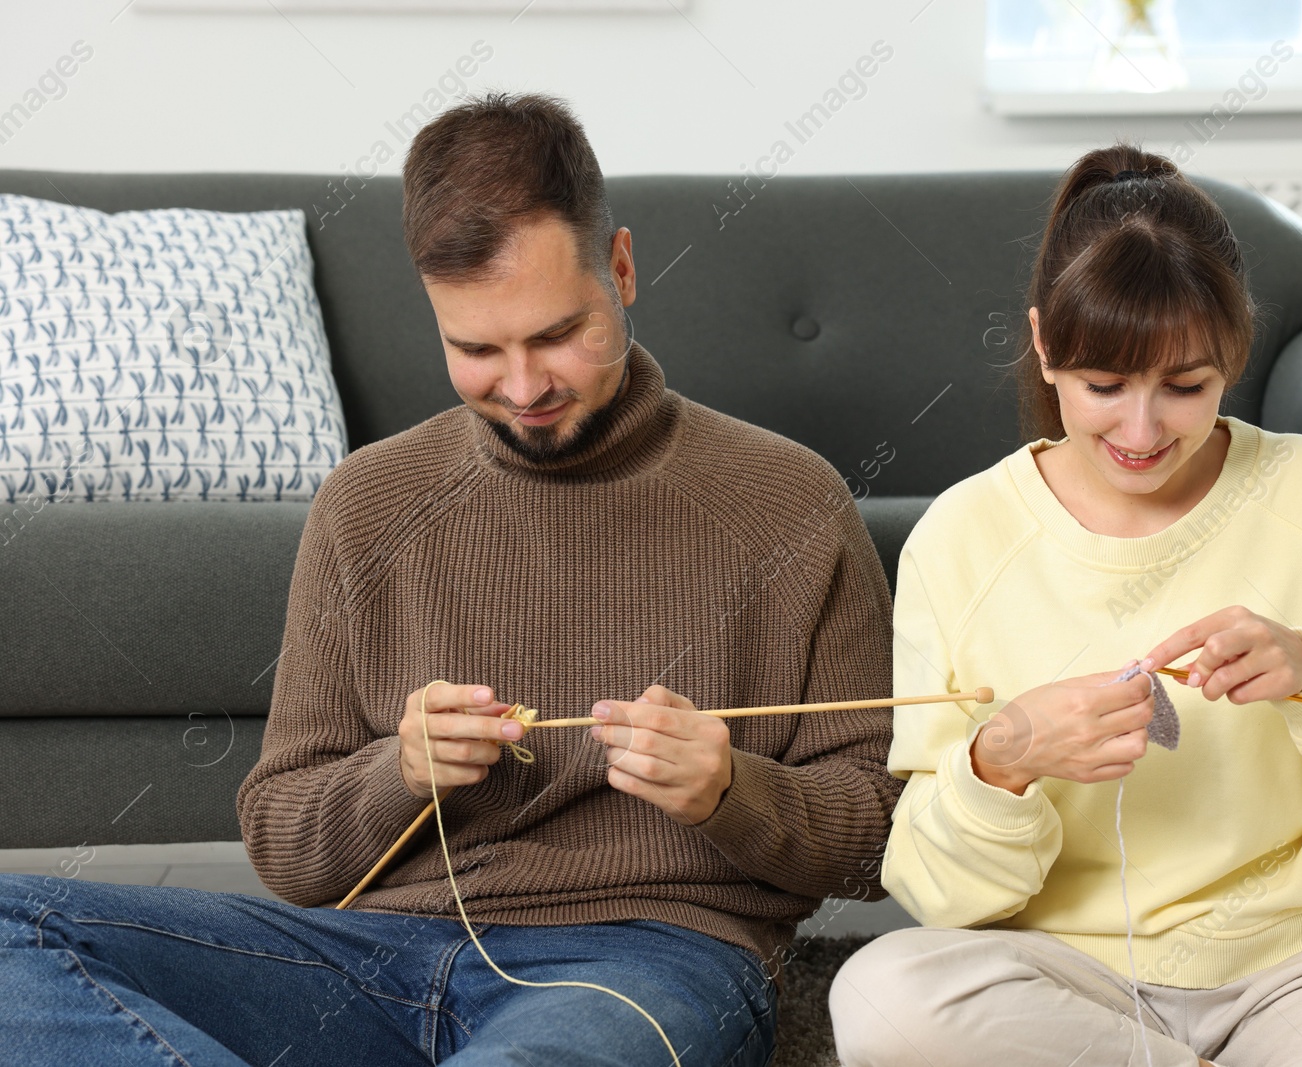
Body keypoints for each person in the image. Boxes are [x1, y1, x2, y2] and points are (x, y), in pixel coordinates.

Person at [0, 92, 901, 1067]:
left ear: (624, 268)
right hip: (372, 955)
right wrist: (401, 771)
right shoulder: (368, 503)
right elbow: (286, 845)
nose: (522, 387)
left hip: (653, 956)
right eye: (476, 348)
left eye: (556, 334)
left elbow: (878, 836)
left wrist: (730, 786)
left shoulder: (789, 500)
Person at [828, 144, 1302, 1067]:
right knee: (884, 996)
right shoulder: (961, 537)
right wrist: (1000, 765)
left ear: (1236, 353)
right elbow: (942, 895)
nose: (1142, 431)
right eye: (1102, 386)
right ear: (1044, 345)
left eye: (1185, 386)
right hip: (1064, 976)